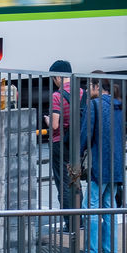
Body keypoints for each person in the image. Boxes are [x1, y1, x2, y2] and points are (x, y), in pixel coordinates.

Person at [80, 72, 125, 253]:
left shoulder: (95, 105)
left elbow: (86, 135)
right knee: (109, 205)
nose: (88, 90)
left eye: (90, 86)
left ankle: (92, 252)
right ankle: (110, 249)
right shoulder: (119, 105)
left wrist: (77, 152)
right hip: (116, 164)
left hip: (99, 164)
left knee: (89, 205)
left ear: (97, 87)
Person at [47, 60, 79, 230]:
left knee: (64, 183)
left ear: (59, 76)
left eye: (54, 78)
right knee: (75, 181)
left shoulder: (57, 96)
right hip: (78, 144)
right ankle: (80, 220)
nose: (54, 81)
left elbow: (54, 125)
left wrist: (47, 119)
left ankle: (71, 223)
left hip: (61, 144)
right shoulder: (82, 93)